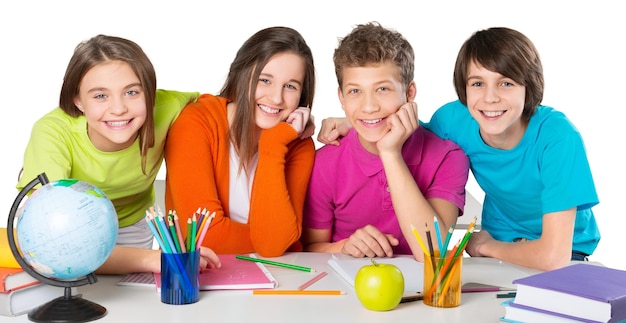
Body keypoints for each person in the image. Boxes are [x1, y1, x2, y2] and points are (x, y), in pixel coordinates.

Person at [317, 27, 600, 271]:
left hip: (559, 251)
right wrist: (358, 121)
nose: (490, 98)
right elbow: (407, 127)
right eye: (478, 84)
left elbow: (553, 258)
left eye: (506, 83)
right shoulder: (454, 121)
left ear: (530, 87)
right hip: (497, 243)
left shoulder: (559, 138)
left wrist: (488, 246)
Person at [17, 35, 221, 274]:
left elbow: (223, 110)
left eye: (132, 92)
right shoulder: (52, 133)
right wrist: (151, 259)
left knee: (130, 301)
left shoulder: (169, 106)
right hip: (69, 235)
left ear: (150, 93)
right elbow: (50, 241)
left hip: (132, 226)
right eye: (100, 95)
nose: (118, 109)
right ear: (78, 100)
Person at [302, 22, 469, 262]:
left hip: (421, 290)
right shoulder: (325, 162)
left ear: (409, 93)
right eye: (355, 91)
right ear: (341, 97)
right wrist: (344, 246)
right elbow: (308, 249)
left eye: (382, 89)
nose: (369, 107)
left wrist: (390, 154)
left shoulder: (448, 157)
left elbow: (433, 253)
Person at [164, 26, 316, 257]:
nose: (276, 98)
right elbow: (204, 236)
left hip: (278, 277)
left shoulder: (297, 143)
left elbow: (274, 245)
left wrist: (273, 145)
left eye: (290, 86)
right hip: (203, 278)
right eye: (265, 80)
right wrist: (272, 240)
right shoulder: (196, 123)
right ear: (242, 74)